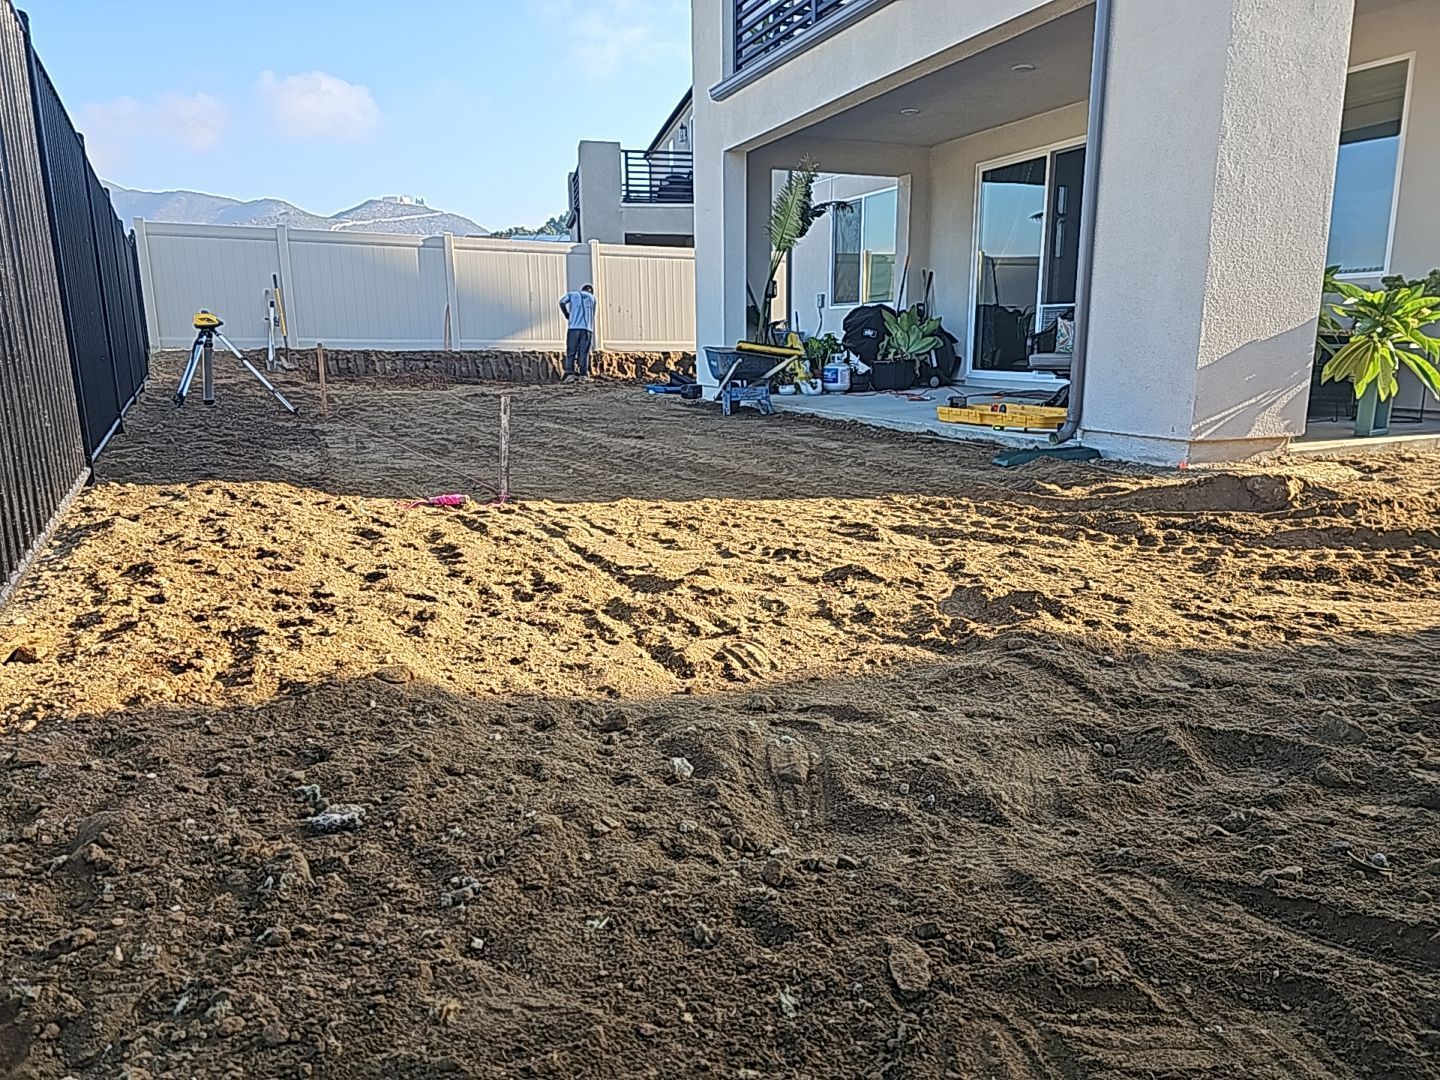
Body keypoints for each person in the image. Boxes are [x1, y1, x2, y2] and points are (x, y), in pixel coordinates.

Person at [559, 284, 597, 381]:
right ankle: (583, 375)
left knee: (571, 351)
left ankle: (570, 374)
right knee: (584, 352)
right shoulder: (592, 298)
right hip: (587, 329)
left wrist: (567, 315)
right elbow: (593, 314)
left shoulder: (572, 294)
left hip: (573, 328)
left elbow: (561, 302)